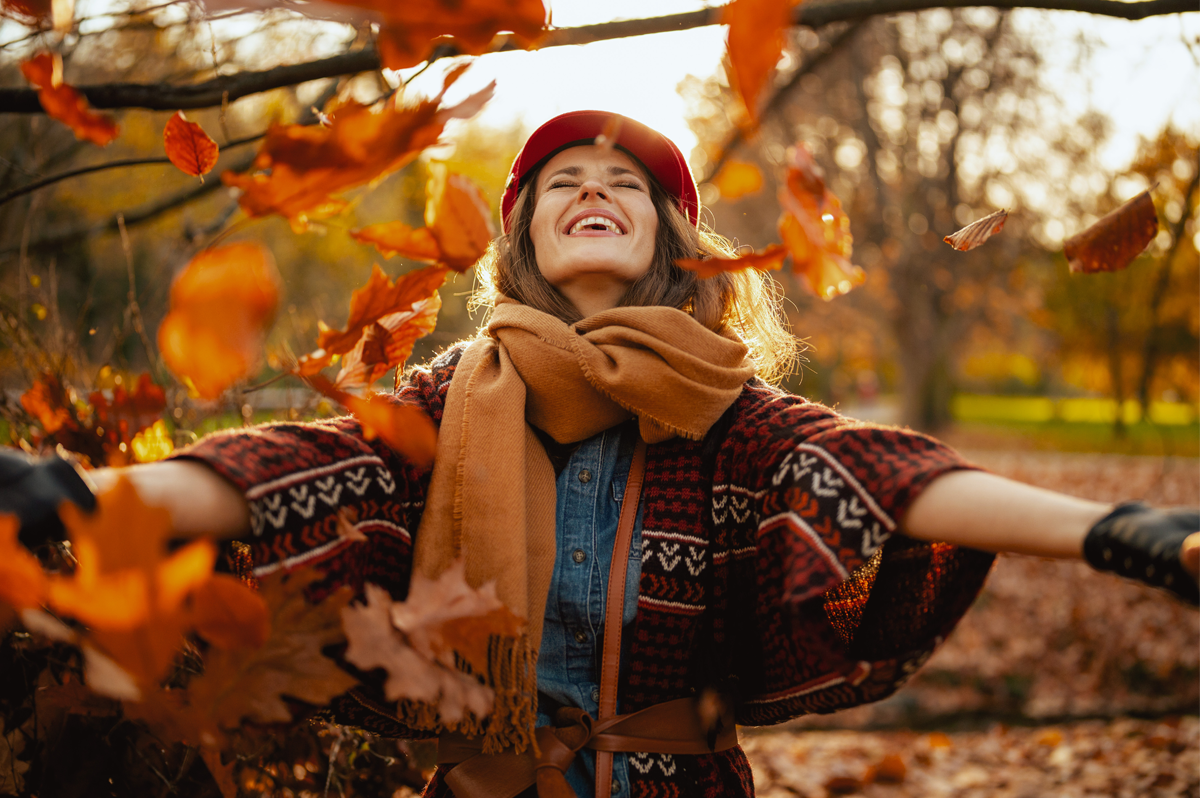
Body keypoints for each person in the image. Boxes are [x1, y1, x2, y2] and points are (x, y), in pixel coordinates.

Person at [4, 110, 1198, 798]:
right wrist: (70, 490)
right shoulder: (448, 397)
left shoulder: (731, 422)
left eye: (623, 182)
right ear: (520, 236)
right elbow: (290, 471)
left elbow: (897, 480)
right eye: (563, 182)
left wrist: (1118, 533)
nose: (593, 191)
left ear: (670, 235)